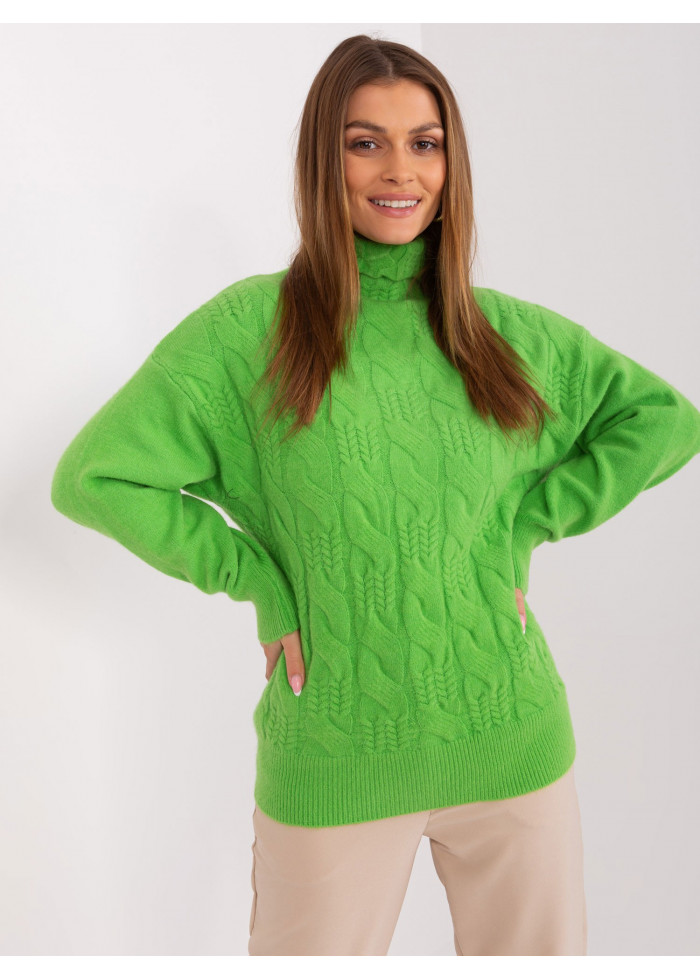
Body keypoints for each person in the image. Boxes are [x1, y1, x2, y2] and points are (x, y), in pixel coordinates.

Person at [50, 34, 700, 956]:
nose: (401, 170)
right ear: (325, 157)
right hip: (334, 757)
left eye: (425, 143)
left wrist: (524, 524)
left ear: (450, 162)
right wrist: (257, 578)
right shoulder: (247, 333)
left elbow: (664, 418)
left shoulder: (502, 334)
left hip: (511, 742)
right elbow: (95, 475)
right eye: (367, 143)